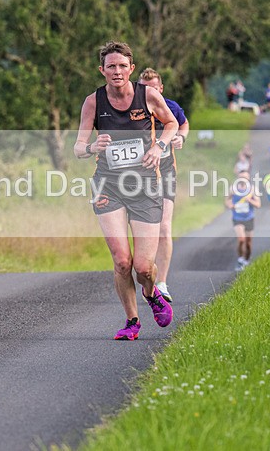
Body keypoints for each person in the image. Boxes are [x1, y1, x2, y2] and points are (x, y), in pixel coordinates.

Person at [74, 41, 176, 341]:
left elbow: (171, 123)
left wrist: (159, 146)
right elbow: (78, 147)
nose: (116, 71)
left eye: (122, 66)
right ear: (102, 70)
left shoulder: (148, 96)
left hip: (144, 186)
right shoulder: (93, 102)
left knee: (143, 267)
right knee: (122, 261)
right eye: (111, 66)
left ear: (131, 69)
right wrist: (92, 146)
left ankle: (151, 292)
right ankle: (132, 321)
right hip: (108, 185)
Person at [137, 67, 190, 303]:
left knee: (164, 228)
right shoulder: (132, 110)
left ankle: (162, 283)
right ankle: (146, 274)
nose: (149, 93)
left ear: (161, 89)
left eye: (153, 89)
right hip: (138, 176)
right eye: (144, 89)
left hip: (166, 172)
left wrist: (181, 137)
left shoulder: (170, 107)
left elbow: (183, 124)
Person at [225, 170, 261, 271]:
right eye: (241, 177)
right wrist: (230, 205)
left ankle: (246, 260)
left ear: (248, 178)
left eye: (245, 177)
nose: (243, 179)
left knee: (248, 243)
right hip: (237, 218)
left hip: (249, 218)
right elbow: (227, 200)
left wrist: (249, 200)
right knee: (241, 239)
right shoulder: (233, 188)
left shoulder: (253, 189)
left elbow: (258, 204)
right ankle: (240, 260)